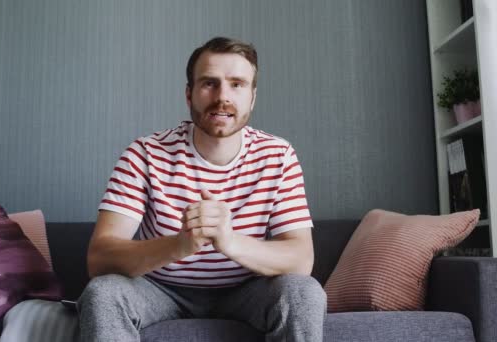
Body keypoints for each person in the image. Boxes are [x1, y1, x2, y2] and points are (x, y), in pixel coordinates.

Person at [78, 36, 326, 342]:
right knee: (103, 293)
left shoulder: (278, 155)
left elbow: (301, 258)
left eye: (237, 84)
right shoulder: (144, 153)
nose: (223, 97)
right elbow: (99, 257)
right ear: (189, 94)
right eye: (209, 83)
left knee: (303, 292)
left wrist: (229, 242)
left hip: (247, 291)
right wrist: (181, 245)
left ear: (253, 97)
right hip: (159, 289)